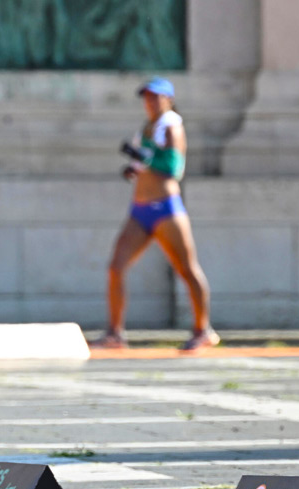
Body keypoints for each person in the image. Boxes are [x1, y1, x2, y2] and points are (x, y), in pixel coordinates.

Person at [94, 77, 219, 351]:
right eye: (147, 97)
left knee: (187, 269)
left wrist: (146, 159)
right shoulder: (147, 128)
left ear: (168, 99)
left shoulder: (171, 125)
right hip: (140, 210)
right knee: (116, 267)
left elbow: (173, 166)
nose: (150, 102)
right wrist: (134, 167)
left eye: (156, 97)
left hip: (165, 209)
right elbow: (146, 162)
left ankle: (203, 329)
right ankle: (115, 332)